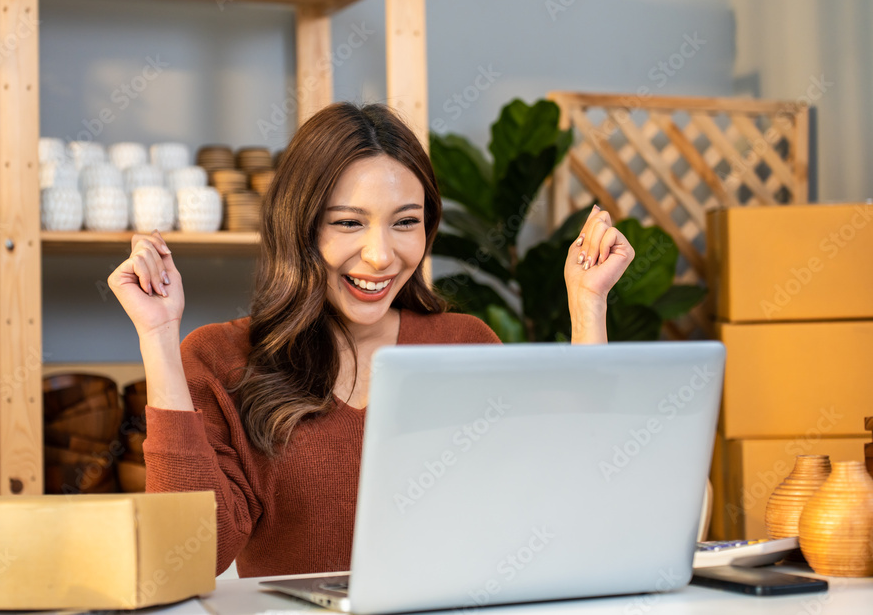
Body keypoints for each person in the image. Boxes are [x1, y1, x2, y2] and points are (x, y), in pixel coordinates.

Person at [107, 102, 634, 578]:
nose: (381, 255)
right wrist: (157, 335)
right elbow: (188, 555)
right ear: (301, 227)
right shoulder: (221, 359)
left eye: (405, 222)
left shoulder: (464, 346)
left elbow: (563, 505)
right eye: (348, 223)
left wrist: (588, 308)